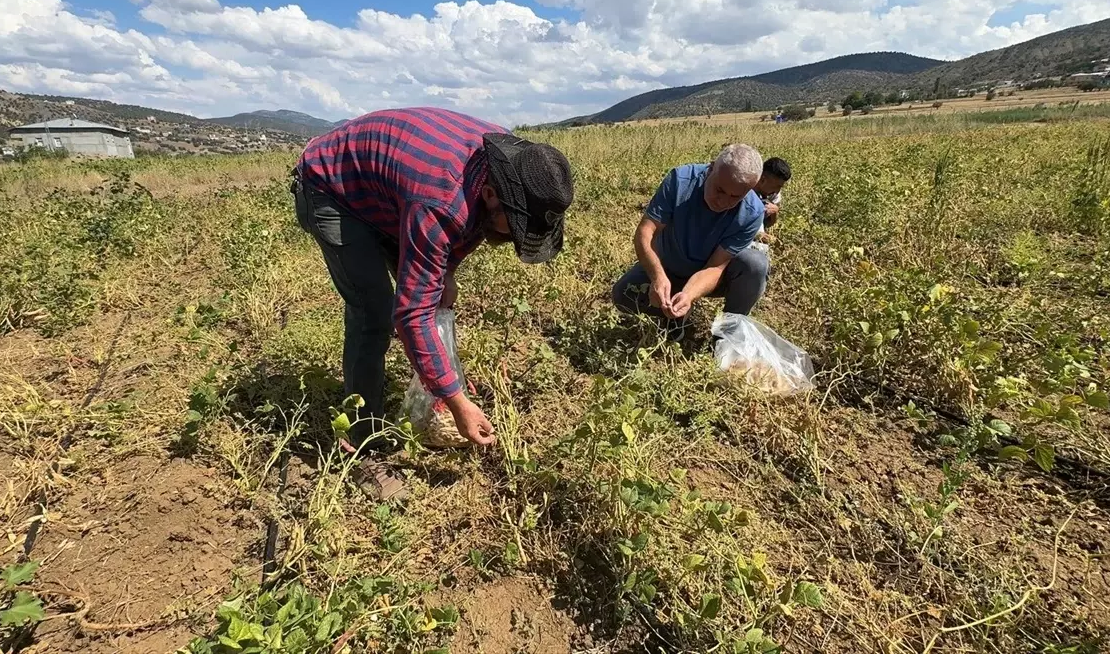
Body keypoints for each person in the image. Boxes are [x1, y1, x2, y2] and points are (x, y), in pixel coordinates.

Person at [291, 107, 574, 500]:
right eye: (518, 226)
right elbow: (412, 313)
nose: (515, 239)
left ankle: (434, 376)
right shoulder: (440, 201)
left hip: (392, 191)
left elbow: (474, 226)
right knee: (373, 313)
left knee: (433, 288)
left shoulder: (513, 165)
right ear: (492, 194)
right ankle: (361, 445)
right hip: (332, 188)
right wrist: (456, 400)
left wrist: (447, 274)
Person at [610, 143, 767, 339]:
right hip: (668, 266)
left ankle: (727, 336)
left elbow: (716, 268)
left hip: (711, 277)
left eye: (735, 197)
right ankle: (674, 314)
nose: (724, 201)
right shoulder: (680, 181)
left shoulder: (752, 213)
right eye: (719, 190)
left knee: (755, 264)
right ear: (711, 168)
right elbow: (645, 232)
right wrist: (657, 277)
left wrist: (689, 294)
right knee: (623, 295)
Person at [754, 157, 791, 244]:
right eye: (777, 186)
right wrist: (757, 235)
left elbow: (770, 223)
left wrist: (775, 212)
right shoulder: (743, 188)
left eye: (780, 187)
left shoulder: (774, 193)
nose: (777, 191)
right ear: (762, 179)